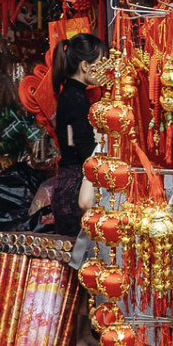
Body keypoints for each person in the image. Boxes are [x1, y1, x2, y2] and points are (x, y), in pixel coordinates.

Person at [49, 32, 108, 239]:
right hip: (76, 185)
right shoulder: (76, 97)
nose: (104, 69)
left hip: (68, 181)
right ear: (85, 66)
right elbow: (83, 146)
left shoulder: (72, 94)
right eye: (101, 62)